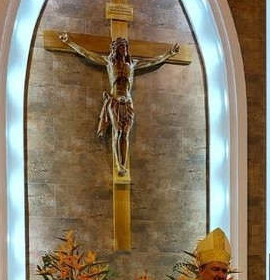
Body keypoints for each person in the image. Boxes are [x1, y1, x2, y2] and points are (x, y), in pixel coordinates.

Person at [57, 32, 179, 176]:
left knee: (125, 134)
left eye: (126, 47)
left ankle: (124, 163)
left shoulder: (132, 64)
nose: (124, 49)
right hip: (114, 101)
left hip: (128, 102)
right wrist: (69, 42)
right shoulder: (109, 63)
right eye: (121, 47)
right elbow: (87, 54)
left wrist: (169, 54)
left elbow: (153, 61)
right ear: (115, 49)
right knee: (118, 132)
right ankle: (118, 164)